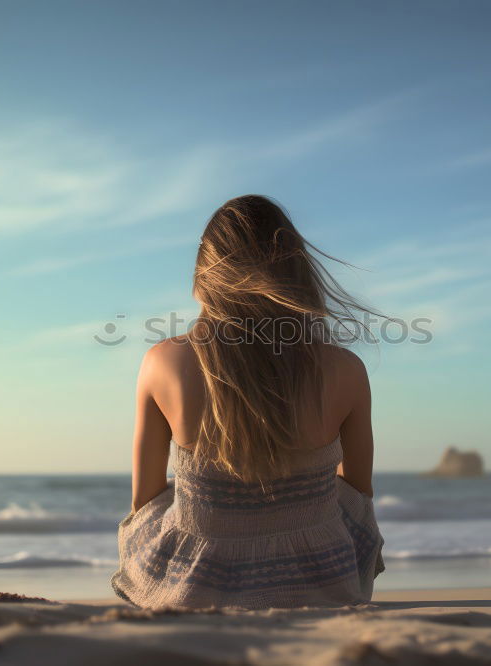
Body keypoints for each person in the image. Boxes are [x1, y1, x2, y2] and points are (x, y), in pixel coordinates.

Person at [111, 194, 385, 608]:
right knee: (349, 502)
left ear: (206, 272)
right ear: (296, 270)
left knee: (154, 508)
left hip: (197, 582)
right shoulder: (345, 368)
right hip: (323, 577)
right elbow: (360, 492)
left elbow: (143, 499)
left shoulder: (163, 361)